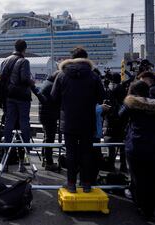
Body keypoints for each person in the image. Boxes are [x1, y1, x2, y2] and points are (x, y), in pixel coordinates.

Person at [51, 47, 105, 193]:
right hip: (88, 120)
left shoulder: (62, 75)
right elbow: (101, 97)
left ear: (71, 58)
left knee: (71, 152)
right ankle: (86, 184)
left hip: (68, 120)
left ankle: (71, 184)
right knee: (87, 152)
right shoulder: (93, 75)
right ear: (86, 58)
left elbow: (54, 97)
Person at [119, 80, 155, 220]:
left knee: (139, 179)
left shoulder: (131, 105)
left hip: (137, 146)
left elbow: (119, 115)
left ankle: (144, 209)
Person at [0, 39, 36, 172]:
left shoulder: (5, 60)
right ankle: (26, 148)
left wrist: (1, 98)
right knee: (23, 122)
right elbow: (24, 79)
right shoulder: (24, 61)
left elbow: (2, 80)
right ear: (24, 49)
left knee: (9, 123)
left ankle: (6, 149)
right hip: (22, 97)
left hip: (9, 97)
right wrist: (32, 82)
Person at [103, 72, 127, 172]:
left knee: (111, 144)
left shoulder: (108, 88)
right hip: (121, 119)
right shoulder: (121, 88)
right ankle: (123, 165)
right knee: (122, 144)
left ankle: (111, 165)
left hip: (109, 118)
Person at [37, 71, 60, 171]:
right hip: (50, 115)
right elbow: (56, 100)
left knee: (47, 138)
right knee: (49, 139)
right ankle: (49, 162)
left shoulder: (46, 83)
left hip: (45, 115)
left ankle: (45, 160)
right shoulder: (52, 86)